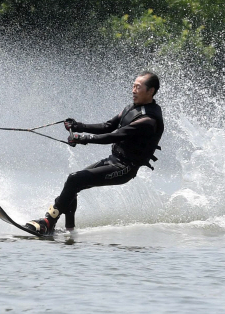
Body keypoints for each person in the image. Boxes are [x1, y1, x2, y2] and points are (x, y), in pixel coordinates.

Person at [25, 71, 164, 235]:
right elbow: (107, 126)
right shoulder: (132, 108)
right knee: (74, 184)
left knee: (74, 179)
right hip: (113, 160)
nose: (133, 90)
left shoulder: (148, 120)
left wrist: (84, 138)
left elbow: (114, 135)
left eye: (138, 87)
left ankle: (48, 221)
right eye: (133, 86)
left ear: (150, 91)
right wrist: (79, 126)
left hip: (125, 168)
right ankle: (70, 231)